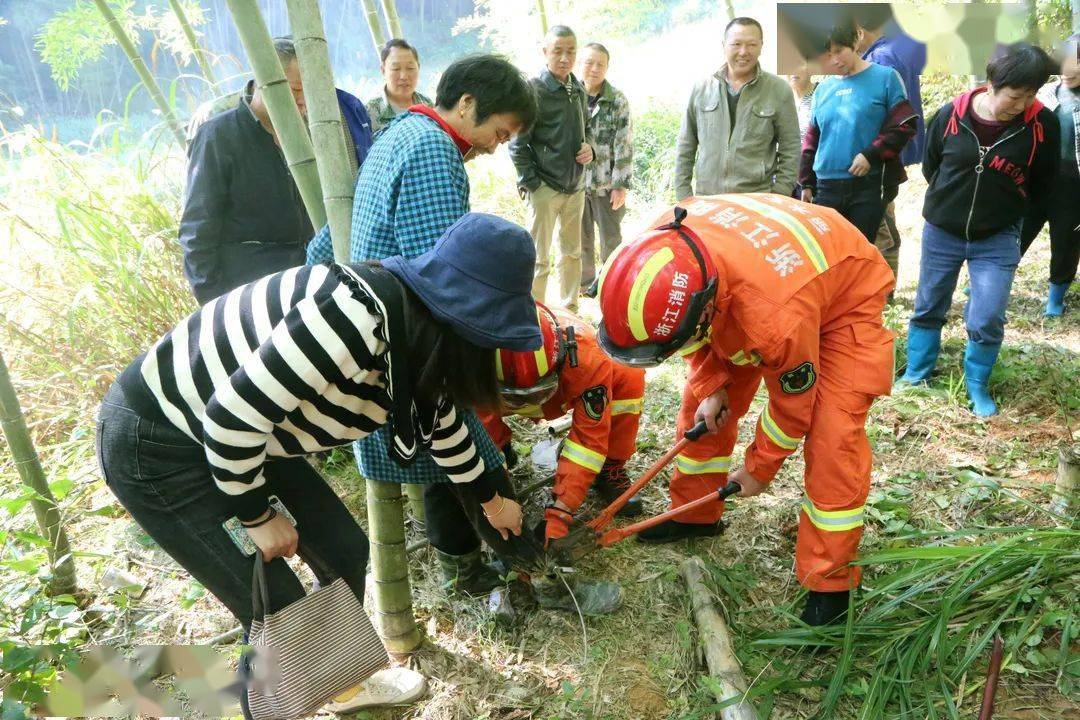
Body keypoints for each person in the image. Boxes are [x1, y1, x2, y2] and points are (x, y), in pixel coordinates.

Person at [97, 213, 539, 709]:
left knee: (343, 548)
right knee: (275, 605)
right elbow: (228, 417)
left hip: (251, 436)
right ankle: (268, 709)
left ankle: (339, 685)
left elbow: (439, 420)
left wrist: (490, 498)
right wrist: (257, 516)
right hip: (164, 442)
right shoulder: (351, 315)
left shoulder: (413, 329)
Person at [307, 56, 614, 611]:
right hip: (406, 344)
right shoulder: (433, 154)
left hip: (371, 326)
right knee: (464, 459)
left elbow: (326, 241)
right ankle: (507, 578)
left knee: (442, 459)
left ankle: (473, 573)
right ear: (467, 103)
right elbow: (447, 289)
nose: (499, 146)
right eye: (500, 132)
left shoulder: (399, 132)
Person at [596, 194, 895, 626]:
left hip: (841, 295)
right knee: (702, 407)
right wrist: (713, 384)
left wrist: (759, 469)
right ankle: (696, 515)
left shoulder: (773, 321)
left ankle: (831, 584)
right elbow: (690, 334)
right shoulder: (661, 252)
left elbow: (795, 408)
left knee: (834, 439)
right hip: (758, 280)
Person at [901, 43, 1060, 417]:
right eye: (1014, 96)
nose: (1021, 105)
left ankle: (976, 384)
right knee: (929, 304)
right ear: (991, 84)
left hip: (998, 235)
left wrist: (1008, 212)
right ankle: (917, 372)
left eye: (1031, 95)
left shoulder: (1042, 125)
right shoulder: (951, 115)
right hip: (943, 231)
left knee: (988, 314)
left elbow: (1043, 184)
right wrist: (950, 205)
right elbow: (932, 167)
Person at [179, 37, 374, 305]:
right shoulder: (217, 136)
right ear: (264, 81)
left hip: (310, 284)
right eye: (295, 91)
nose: (304, 101)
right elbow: (197, 233)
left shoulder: (317, 130)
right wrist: (213, 305)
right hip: (247, 294)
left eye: (309, 91)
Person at [478, 302, 647, 546]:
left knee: (628, 374)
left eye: (535, 394)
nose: (527, 405)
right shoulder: (475, 356)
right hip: (494, 392)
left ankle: (611, 467)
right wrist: (494, 491)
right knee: (485, 431)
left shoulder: (589, 358)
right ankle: (502, 452)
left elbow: (588, 442)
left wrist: (561, 512)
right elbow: (477, 422)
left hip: (566, 388)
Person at [798, 17, 917, 244]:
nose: (834, 60)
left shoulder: (885, 78)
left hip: (868, 185)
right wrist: (806, 182)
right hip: (826, 187)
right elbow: (812, 139)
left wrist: (871, 154)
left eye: (839, 51)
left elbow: (904, 125)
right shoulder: (823, 90)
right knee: (831, 254)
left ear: (854, 41)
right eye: (827, 55)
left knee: (861, 251)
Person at [510, 25, 594, 311]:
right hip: (544, 187)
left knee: (572, 253)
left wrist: (590, 149)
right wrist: (532, 184)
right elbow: (517, 142)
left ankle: (570, 310)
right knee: (538, 256)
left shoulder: (578, 87)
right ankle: (534, 314)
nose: (564, 57)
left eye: (570, 51)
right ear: (545, 52)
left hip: (575, 186)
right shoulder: (535, 90)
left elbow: (588, 129)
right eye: (557, 51)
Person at [674, 17, 800, 201]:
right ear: (724, 45)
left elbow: (791, 148)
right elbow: (686, 144)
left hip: (757, 201)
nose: (743, 52)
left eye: (751, 44)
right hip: (707, 199)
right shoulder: (702, 89)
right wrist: (684, 195)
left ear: (761, 46)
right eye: (736, 44)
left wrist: (779, 195)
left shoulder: (778, 90)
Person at [854, 5, 928, 295]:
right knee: (884, 215)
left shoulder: (881, 59)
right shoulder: (895, 50)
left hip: (880, 155)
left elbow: (881, 114)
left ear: (860, 31)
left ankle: (885, 290)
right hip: (888, 153)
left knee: (881, 222)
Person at [1019, 34, 1079, 317]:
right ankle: (994, 275)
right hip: (1039, 180)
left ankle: (1056, 296)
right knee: (1018, 229)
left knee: (1065, 239)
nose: (1068, 70)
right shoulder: (1044, 95)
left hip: (1073, 186)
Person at [579, 42, 632, 298]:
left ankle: (612, 283)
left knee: (611, 237)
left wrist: (620, 184)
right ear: (581, 63)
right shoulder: (570, 96)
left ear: (608, 67)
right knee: (581, 238)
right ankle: (584, 284)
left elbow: (624, 143)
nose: (594, 68)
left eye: (600, 64)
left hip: (605, 182)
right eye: (589, 62)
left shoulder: (617, 100)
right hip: (575, 183)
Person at [366, 39, 433, 133]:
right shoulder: (371, 111)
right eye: (396, 68)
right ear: (383, 70)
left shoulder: (428, 105)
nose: (404, 76)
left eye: (410, 68)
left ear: (418, 68)